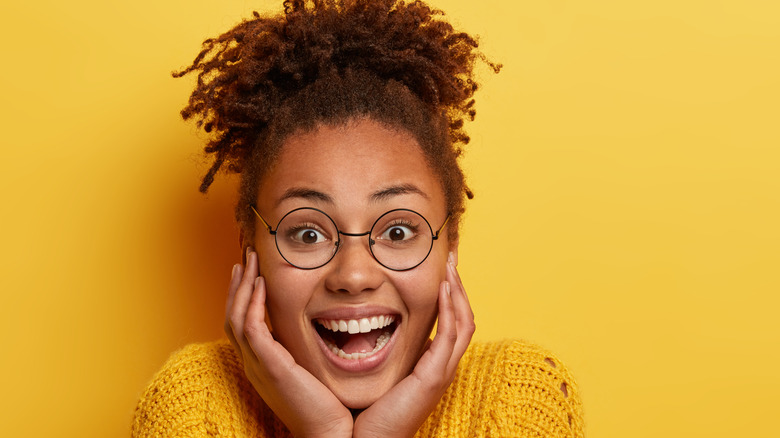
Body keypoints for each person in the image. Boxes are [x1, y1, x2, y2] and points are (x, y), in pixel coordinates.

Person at [132, 1, 583, 436]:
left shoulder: (518, 396)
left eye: (398, 230)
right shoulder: (193, 404)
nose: (353, 275)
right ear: (250, 250)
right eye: (307, 233)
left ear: (451, 245)